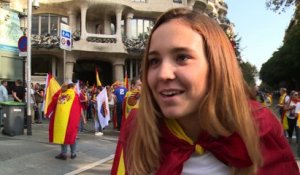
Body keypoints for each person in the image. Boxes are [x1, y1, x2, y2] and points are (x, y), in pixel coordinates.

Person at [111, 8, 300, 175]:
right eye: (154, 61)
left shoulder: (261, 129)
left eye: (182, 57)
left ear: (217, 65)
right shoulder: (136, 130)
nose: (163, 74)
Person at [46, 83, 86, 160]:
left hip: (61, 119)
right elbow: (79, 108)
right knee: (72, 135)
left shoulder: (60, 94)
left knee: (63, 135)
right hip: (72, 119)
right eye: (75, 87)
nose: (75, 89)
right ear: (72, 87)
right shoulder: (75, 95)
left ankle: (64, 154)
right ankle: (73, 153)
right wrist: (83, 118)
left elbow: (52, 102)